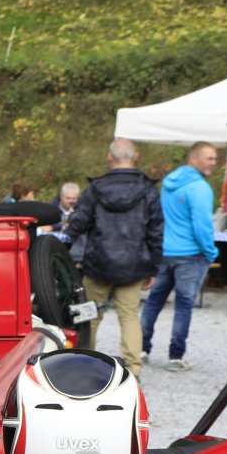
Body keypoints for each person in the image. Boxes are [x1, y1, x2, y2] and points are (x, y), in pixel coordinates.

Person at [64, 138, 161, 376]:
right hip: (134, 265)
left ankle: (83, 365)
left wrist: (63, 246)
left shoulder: (95, 189)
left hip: (98, 264)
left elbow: (78, 224)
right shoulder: (148, 190)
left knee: (90, 316)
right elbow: (156, 231)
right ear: (136, 157)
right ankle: (133, 370)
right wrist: (154, 267)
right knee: (129, 316)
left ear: (109, 158)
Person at [141, 142, 221, 372]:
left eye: (215, 159)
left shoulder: (169, 183)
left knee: (154, 302)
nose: (214, 163)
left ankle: (141, 349)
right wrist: (211, 252)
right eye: (209, 158)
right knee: (183, 306)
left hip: (166, 252)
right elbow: (202, 226)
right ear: (194, 159)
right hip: (191, 255)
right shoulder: (200, 188)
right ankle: (176, 357)